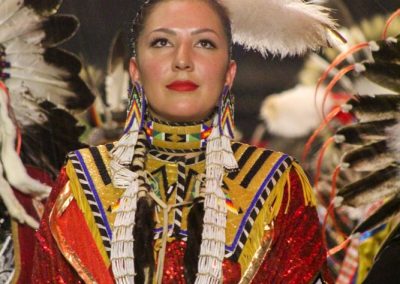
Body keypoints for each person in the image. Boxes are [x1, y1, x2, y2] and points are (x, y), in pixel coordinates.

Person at [32, 0, 332, 283]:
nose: (182, 60)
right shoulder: (82, 181)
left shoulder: (278, 184)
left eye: (204, 43)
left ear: (229, 73)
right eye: (162, 42)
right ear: (135, 72)